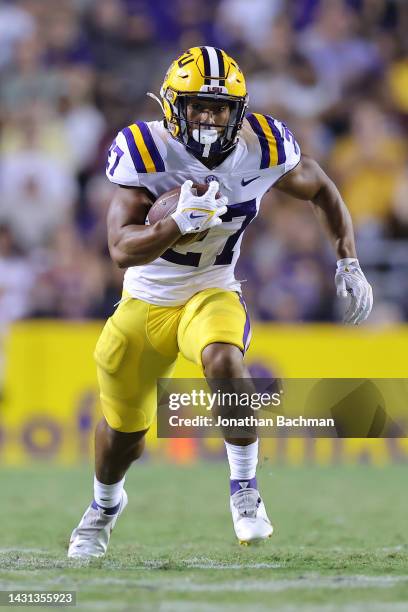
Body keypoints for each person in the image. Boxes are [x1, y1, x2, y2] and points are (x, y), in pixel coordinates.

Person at [68, 46, 373, 557]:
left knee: (224, 359)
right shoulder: (146, 150)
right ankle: (103, 506)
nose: (209, 119)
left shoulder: (265, 145)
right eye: (197, 107)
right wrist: (173, 226)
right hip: (145, 301)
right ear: (173, 107)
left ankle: (245, 489)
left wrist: (348, 260)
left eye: (220, 108)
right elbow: (120, 250)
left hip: (212, 288)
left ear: (239, 111)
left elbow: (321, 188)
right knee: (124, 432)